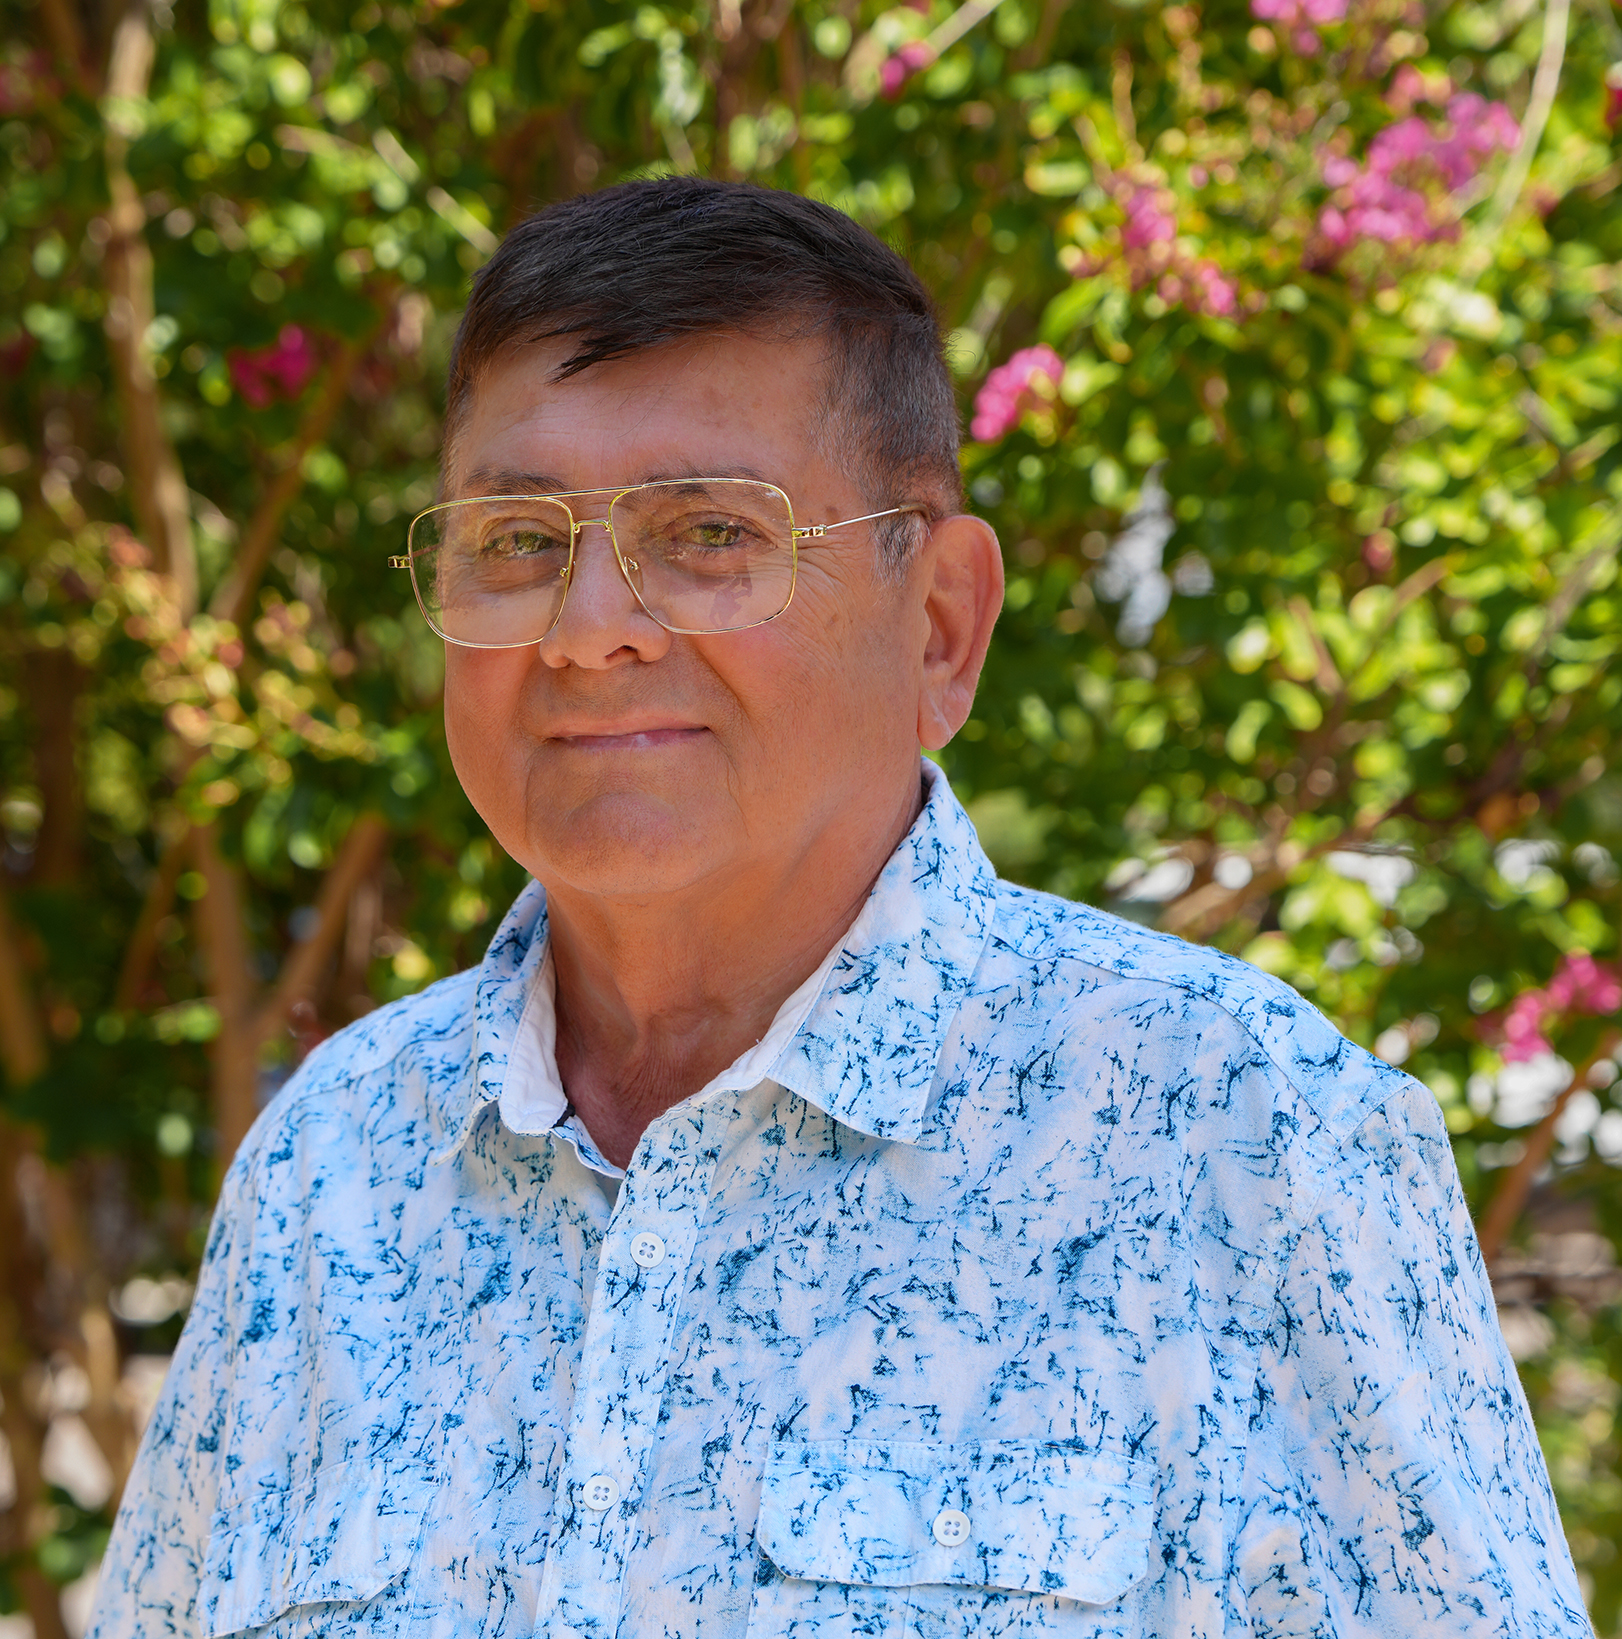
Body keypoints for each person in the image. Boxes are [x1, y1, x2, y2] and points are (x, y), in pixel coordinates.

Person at [91, 178, 1588, 1639]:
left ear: (939, 626)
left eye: (708, 534)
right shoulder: (333, 1170)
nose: (588, 631)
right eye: (521, 541)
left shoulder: (1232, 1132)